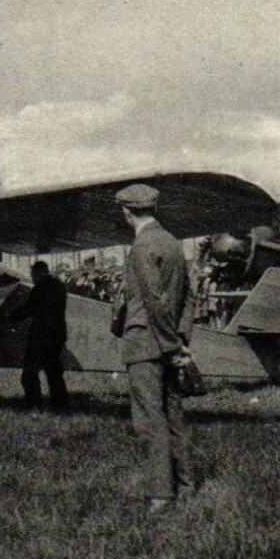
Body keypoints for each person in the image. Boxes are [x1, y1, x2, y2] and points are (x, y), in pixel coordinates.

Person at [111, 184, 199, 513]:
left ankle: (161, 495)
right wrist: (182, 338)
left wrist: (170, 344)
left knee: (149, 420)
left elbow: (155, 300)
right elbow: (188, 296)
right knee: (173, 415)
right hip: (168, 341)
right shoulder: (173, 244)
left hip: (146, 344)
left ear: (127, 212)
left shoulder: (141, 246)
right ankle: (187, 485)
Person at [13, 260, 71, 410]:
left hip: (40, 335)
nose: (32, 277)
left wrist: (11, 316)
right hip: (57, 335)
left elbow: (29, 309)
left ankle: (34, 404)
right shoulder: (59, 286)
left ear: (38, 273)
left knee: (29, 372)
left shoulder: (39, 288)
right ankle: (60, 405)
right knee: (54, 373)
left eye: (33, 274)